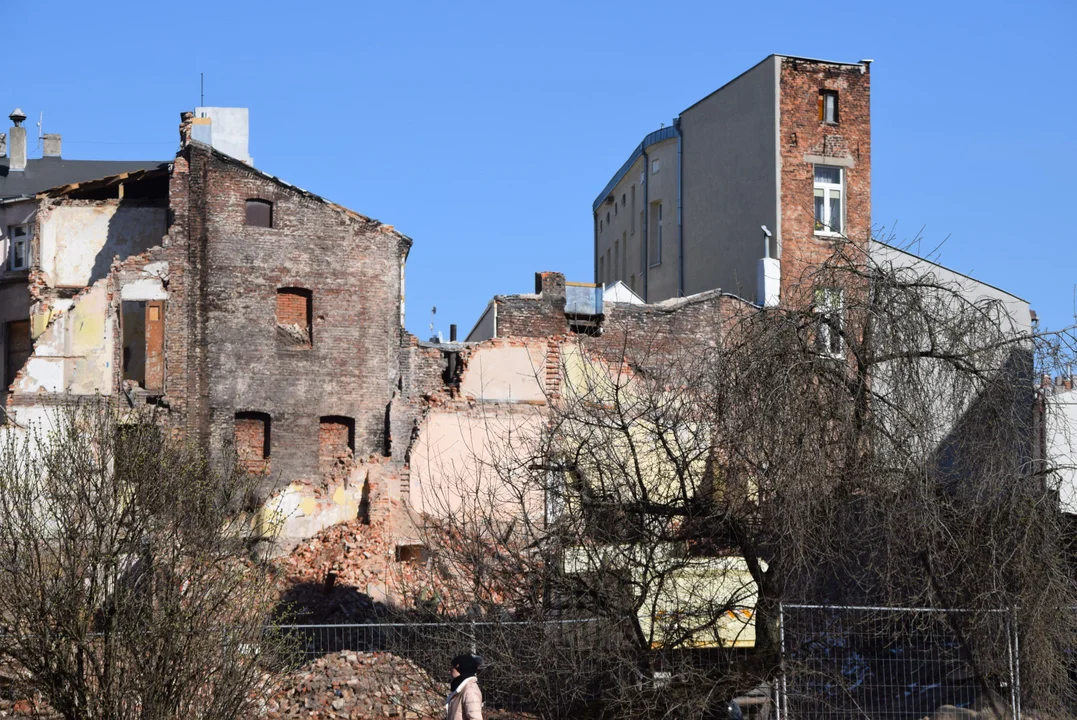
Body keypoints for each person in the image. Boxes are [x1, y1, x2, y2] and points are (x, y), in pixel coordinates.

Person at [446, 652, 483, 720]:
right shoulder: (461, 689)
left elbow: (475, 718)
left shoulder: (470, 690)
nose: (449, 671)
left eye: (452, 668)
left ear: (460, 668)